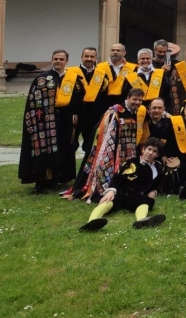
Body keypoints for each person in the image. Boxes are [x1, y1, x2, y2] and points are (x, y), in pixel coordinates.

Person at [19, 49, 85, 193]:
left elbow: (80, 100)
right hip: (44, 121)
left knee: (62, 148)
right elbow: (33, 100)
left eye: (61, 59)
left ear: (66, 61)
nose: (58, 61)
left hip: (65, 120)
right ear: (51, 60)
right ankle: (40, 181)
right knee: (43, 150)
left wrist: (75, 113)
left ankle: (56, 179)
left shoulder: (74, 79)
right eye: (55, 59)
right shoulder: (42, 79)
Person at [79, 137, 167, 232]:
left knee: (146, 202)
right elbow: (118, 177)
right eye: (149, 149)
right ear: (143, 149)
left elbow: (160, 184)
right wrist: (111, 191)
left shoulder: (158, 167)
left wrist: (155, 191)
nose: (150, 153)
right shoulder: (132, 162)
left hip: (137, 196)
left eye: (154, 151)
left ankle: (142, 221)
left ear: (157, 154)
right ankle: (91, 222)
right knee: (107, 202)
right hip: (122, 192)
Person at [75, 88, 145, 201]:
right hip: (111, 150)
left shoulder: (135, 112)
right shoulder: (115, 112)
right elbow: (105, 133)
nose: (137, 102)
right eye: (134, 99)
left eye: (140, 100)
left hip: (127, 150)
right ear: (127, 98)